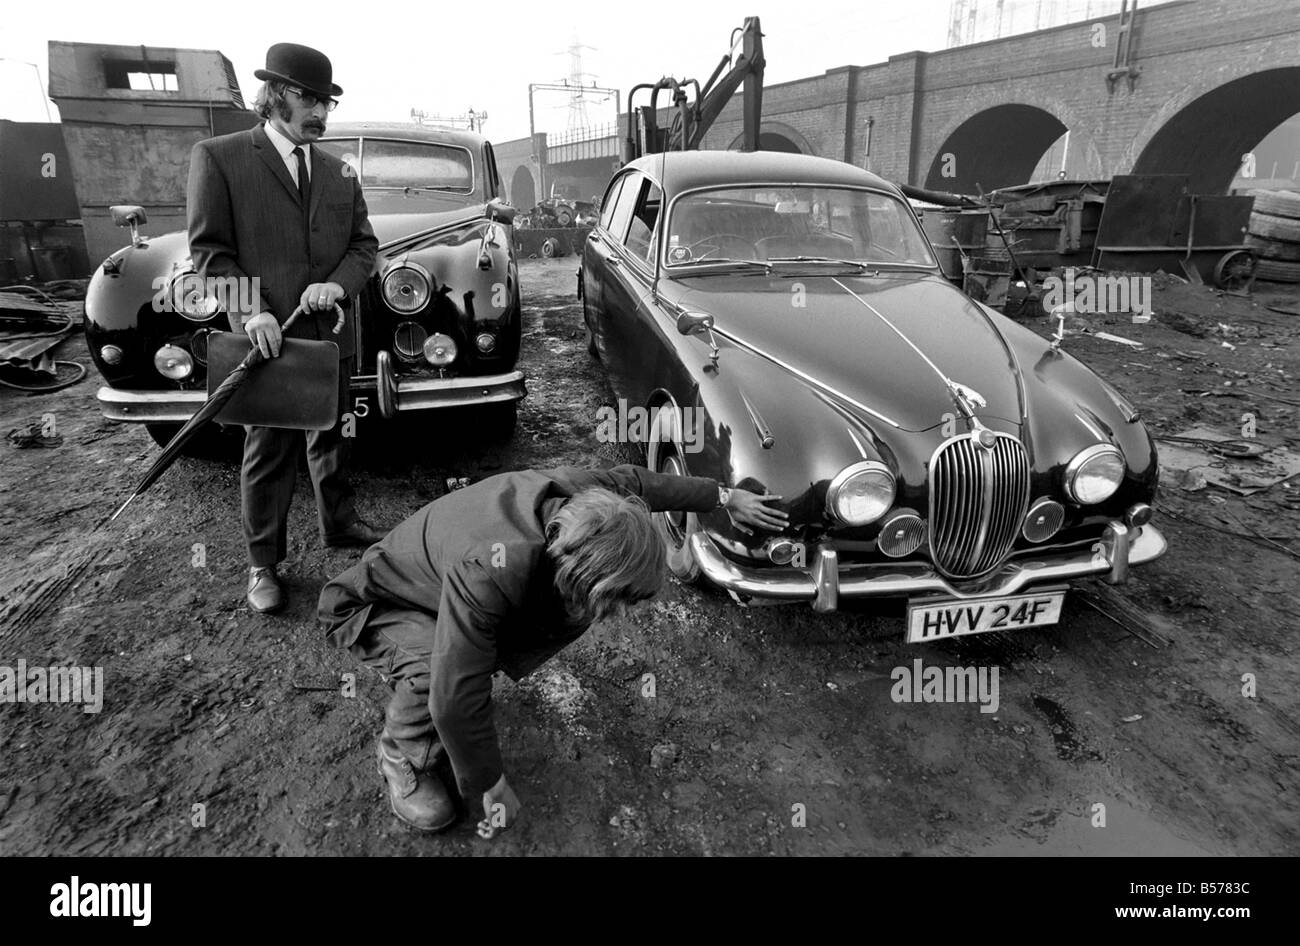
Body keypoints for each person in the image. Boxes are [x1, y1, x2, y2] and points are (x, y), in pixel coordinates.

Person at [318, 464, 788, 836]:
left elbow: (643, 482)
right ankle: (402, 754)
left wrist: (725, 496)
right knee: (436, 673)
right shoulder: (490, 570)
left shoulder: (588, 496)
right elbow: (456, 700)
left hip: (436, 587)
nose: (621, 615)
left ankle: (454, 656)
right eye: (618, 598)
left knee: (479, 648)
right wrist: (489, 784)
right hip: (373, 607)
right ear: (587, 575)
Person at [187, 43, 383, 614]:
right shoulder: (219, 157)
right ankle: (263, 565)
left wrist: (339, 284)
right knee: (267, 450)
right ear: (274, 95)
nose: (320, 111)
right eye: (307, 97)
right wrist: (254, 313)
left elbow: (363, 245)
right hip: (265, 339)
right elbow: (210, 253)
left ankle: (340, 526)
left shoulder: (338, 170)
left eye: (326, 100)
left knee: (334, 435)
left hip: (330, 335)